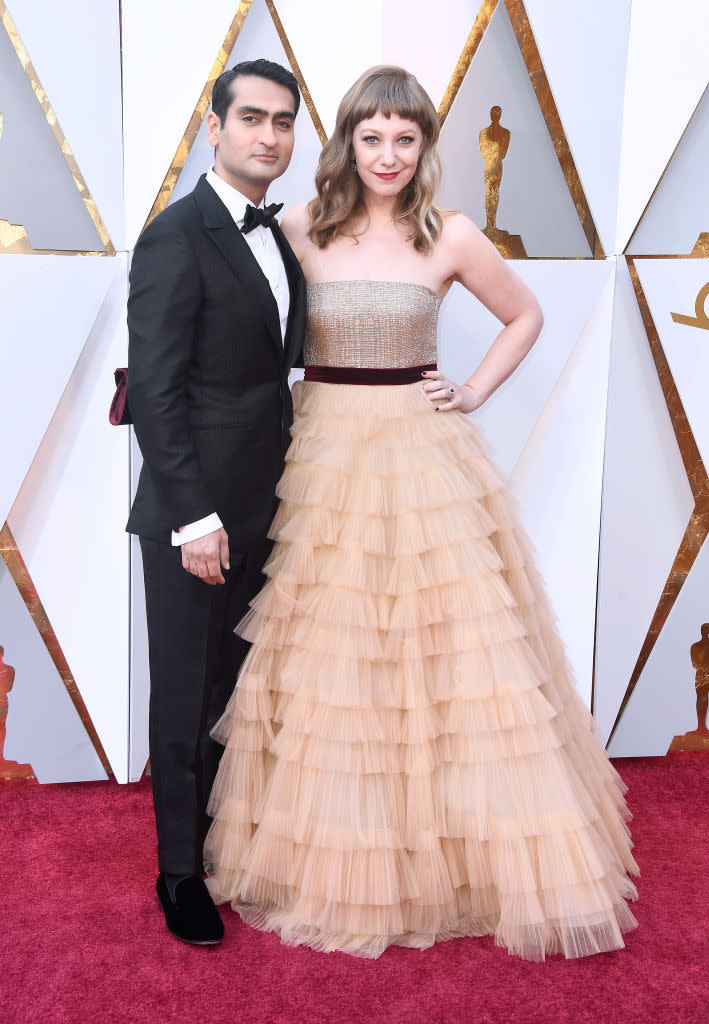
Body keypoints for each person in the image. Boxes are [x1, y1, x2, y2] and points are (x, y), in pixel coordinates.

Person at [204, 66, 638, 960]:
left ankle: (451, 853)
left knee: (446, 656)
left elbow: (524, 315)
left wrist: (473, 388)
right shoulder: (298, 227)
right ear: (347, 143)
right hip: (320, 453)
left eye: (406, 138)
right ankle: (340, 850)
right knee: (333, 651)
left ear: (426, 147)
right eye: (372, 137)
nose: (389, 155)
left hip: (418, 450)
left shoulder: (451, 235)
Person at [126, 59, 305, 945]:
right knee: (187, 693)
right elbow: (155, 393)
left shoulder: (276, 234)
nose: (267, 135)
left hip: (269, 502)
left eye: (282, 122)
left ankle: (224, 847)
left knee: (239, 688)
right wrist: (193, 519)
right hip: (195, 516)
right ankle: (179, 874)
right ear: (215, 125)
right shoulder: (175, 234)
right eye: (251, 119)